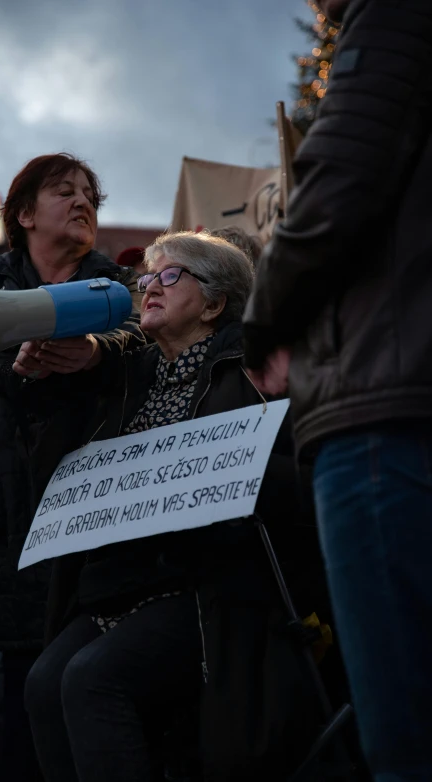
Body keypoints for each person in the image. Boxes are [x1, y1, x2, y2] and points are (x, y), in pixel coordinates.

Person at [23, 231, 321, 782]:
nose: (148, 288)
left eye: (169, 275)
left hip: (206, 587)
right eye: (145, 279)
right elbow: (54, 472)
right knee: (43, 685)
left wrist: (230, 466)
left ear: (214, 303)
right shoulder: (124, 376)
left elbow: (305, 483)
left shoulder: (256, 373)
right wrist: (48, 388)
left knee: (92, 679)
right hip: (119, 584)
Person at [243, 1, 432, 780]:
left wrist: (263, 319)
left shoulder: (392, 14)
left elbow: (340, 176)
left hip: (382, 414)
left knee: (405, 742)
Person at [0, 153, 144, 781]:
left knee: (78, 670)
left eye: (90, 195)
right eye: (63, 191)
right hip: (2, 504)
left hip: (87, 496)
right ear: (22, 215)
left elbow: (143, 341)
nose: (83, 203)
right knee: (14, 686)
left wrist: (97, 353)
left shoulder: (119, 284)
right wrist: (14, 367)